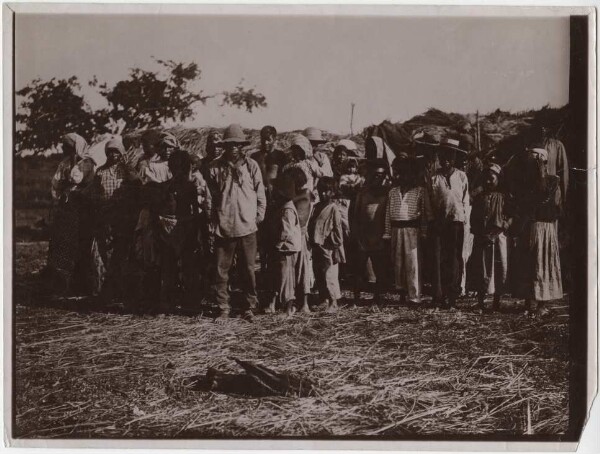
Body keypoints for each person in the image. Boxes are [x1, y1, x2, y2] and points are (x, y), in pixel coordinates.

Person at [206, 124, 266, 322]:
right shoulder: (215, 167)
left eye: (237, 145)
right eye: (230, 144)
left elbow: (260, 194)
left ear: (242, 147)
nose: (233, 148)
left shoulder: (251, 166)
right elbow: (210, 197)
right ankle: (223, 307)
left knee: (248, 269)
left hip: (247, 226)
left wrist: (258, 216)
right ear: (225, 146)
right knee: (221, 270)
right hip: (224, 226)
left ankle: (249, 306)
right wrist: (213, 220)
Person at [46, 133, 96, 295]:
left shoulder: (88, 163)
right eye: (64, 146)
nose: (64, 148)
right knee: (64, 243)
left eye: (68, 145)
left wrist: (78, 192)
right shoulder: (65, 163)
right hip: (67, 208)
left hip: (83, 209)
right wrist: (60, 198)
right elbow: (56, 184)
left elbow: (89, 184)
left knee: (82, 244)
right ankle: (61, 283)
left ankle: (81, 285)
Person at [517, 148, 563, 317]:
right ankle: (529, 302)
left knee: (544, 263)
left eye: (535, 164)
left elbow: (554, 203)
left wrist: (541, 174)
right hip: (532, 226)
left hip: (546, 227)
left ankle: (543, 303)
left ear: (543, 163)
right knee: (531, 263)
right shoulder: (527, 183)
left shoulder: (552, 181)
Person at [383, 154, 432, 305]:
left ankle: (414, 295)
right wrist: (388, 232)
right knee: (399, 263)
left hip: (412, 230)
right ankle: (401, 293)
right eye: (400, 173)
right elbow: (388, 213)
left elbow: (424, 214)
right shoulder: (393, 192)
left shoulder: (419, 191)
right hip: (397, 230)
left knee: (413, 263)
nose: (403, 176)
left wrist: (423, 232)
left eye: (406, 173)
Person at [156, 149, 200, 312]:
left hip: (187, 228)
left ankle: (190, 303)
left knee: (188, 267)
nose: (178, 172)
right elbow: (162, 210)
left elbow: (195, 211)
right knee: (169, 268)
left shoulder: (191, 187)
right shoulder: (166, 188)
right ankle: (168, 302)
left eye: (181, 168)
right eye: (175, 168)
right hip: (168, 230)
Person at [429, 138, 470, 309]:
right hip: (438, 223)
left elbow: (465, 201)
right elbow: (429, 201)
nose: (446, 159)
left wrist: (464, 221)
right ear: (438, 156)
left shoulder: (461, 176)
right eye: (443, 155)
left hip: (456, 223)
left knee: (454, 258)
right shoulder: (433, 177)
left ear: (454, 158)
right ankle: (439, 295)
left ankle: (452, 295)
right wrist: (431, 220)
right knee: (438, 258)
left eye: (450, 156)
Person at [93, 137, 133, 302]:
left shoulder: (126, 171)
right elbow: (96, 194)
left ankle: (122, 290)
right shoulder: (100, 172)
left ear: (121, 153)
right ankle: (110, 290)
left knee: (122, 253)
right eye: (110, 152)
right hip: (106, 217)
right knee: (107, 253)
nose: (113, 155)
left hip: (122, 216)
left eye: (116, 152)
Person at [469, 163, 511, 313]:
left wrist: (503, 226)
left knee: (499, 268)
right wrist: (479, 232)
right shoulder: (479, 197)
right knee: (482, 269)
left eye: (492, 179)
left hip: (498, 238)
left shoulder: (504, 197)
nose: (488, 182)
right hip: (483, 237)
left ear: (498, 179)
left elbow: (511, 216)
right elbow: (474, 218)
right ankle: (480, 302)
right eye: (486, 179)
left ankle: (496, 302)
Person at [266, 170, 305, 316]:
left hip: (286, 248)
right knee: (283, 277)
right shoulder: (285, 206)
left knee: (286, 278)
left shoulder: (287, 209)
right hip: (286, 247)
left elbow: (286, 231)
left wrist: (277, 244)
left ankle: (288, 307)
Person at [351, 159, 389, 305]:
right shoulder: (362, 193)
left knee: (380, 268)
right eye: (375, 174)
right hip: (364, 236)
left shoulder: (387, 193)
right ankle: (356, 297)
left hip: (380, 236)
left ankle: (378, 297)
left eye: (381, 175)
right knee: (359, 268)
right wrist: (358, 236)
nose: (377, 178)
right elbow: (356, 215)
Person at [310, 177, 345, 313]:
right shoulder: (316, 207)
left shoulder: (333, 208)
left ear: (333, 192)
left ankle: (333, 301)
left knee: (329, 274)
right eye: (321, 191)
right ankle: (323, 298)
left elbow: (337, 229)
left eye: (327, 191)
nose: (324, 194)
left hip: (329, 246)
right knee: (319, 272)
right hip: (317, 245)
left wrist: (336, 246)